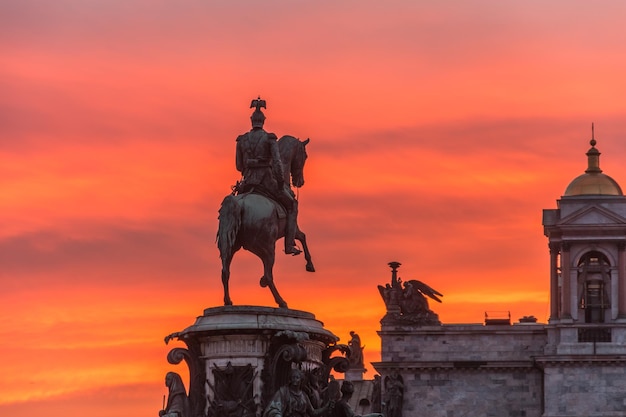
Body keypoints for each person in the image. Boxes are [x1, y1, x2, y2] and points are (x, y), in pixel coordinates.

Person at [235, 97, 301, 256]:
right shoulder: (270, 138)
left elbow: (238, 166)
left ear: (252, 121)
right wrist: (280, 182)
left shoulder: (242, 140)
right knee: (292, 205)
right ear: (263, 121)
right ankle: (289, 245)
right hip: (266, 181)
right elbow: (277, 163)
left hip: (247, 182)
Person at [263, 368, 330, 417]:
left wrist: (326, 407)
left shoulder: (304, 395)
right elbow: (274, 409)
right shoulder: (283, 392)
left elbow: (313, 412)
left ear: (301, 380)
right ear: (290, 379)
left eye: (297, 377)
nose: (294, 380)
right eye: (293, 377)